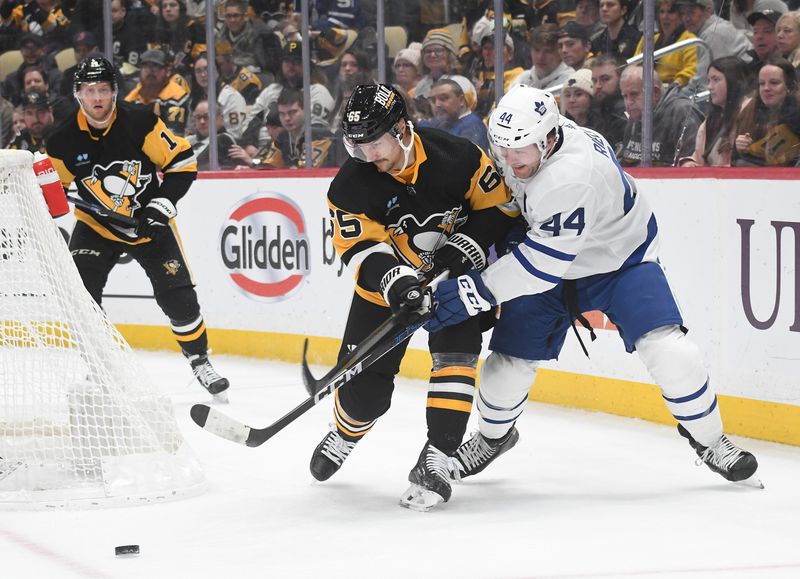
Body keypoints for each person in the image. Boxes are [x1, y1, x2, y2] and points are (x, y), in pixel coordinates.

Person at [425, 84, 761, 491]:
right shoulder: (531, 139)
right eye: (503, 148)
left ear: (549, 140)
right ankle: (493, 437)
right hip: (554, 258)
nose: (511, 162)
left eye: (521, 151)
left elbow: (541, 265)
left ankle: (711, 440)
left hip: (619, 260)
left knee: (672, 352)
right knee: (504, 370)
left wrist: (472, 291)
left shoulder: (571, 176)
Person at [311, 83, 518, 511]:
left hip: (450, 282)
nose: (368, 156)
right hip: (386, 293)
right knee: (363, 394)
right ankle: (346, 431)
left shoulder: (458, 157)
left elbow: (501, 207)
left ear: (402, 128)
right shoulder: (350, 184)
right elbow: (360, 249)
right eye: (358, 145)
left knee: (456, 356)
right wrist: (400, 283)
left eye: (374, 143)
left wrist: (463, 251)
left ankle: (439, 456)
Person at [45, 56, 230, 400]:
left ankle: (200, 361)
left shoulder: (140, 122)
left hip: (148, 223)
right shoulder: (62, 141)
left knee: (179, 297)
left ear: (114, 92)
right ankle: (99, 366)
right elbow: (53, 193)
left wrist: (161, 204)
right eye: (89, 91)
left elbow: (182, 163)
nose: (97, 98)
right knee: (83, 296)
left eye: (103, 89)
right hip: (96, 227)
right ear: (78, 95)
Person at [618, 64, 704, 166]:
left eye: (634, 94)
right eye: (625, 96)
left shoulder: (682, 112)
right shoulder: (636, 115)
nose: (628, 102)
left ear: (655, 92)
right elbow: (625, 162)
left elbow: (690, 166)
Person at [680, 57, 751, 167]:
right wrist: (689, 164)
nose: (709, 87)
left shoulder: (750, 112)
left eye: (716, 79)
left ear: (735, 81)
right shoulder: (711, 120)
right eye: (709, 80)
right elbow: (699, 158)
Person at [244, 87, 335, 169]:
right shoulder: (283, 136)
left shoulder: (318, 135)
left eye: (292, 112)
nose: (287, 118)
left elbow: (307, 172)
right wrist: (252, 166)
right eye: (282, 114)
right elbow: (267, 165)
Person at [732, 56, 800, 165]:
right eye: (762, 83)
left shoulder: (796, 118)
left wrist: (748, 152)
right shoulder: (749, 111)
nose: (766, 88)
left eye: (774, 82)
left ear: (790, 87)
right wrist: (740, 147)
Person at [124, 49, 192, 136]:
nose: (150, 71)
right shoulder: (135, 95)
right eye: (145, 67)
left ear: (167, 71)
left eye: (155, 67)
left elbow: (173, 139)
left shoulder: (177, 96)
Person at [633, 0, 698, 88]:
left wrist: (673, 85)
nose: (665, 16)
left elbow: (691, 69)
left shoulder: (689, 40)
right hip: (644, 89)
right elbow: (634, 65)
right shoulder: (647, 39)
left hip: (674, 91)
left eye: (670, 12)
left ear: (680, 16)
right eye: (662, 12)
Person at [421, 78, 490, 151]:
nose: (437, 104)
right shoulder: (441, 121)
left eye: (444, 98)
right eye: (433, 100)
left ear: (461, 100)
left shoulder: (473, 127)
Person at [187, 99, 239, 169]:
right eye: (198, 117)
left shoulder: (223, 140)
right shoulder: (187, 140)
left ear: (220, 119)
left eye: (206, 117)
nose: (202, 122)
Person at [6, 88, 53, 152]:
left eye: (40, 112)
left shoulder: (64, 134)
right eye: (29, 113)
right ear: (23, 115)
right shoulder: (17, 142)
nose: (35, 119)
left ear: (50, 111)